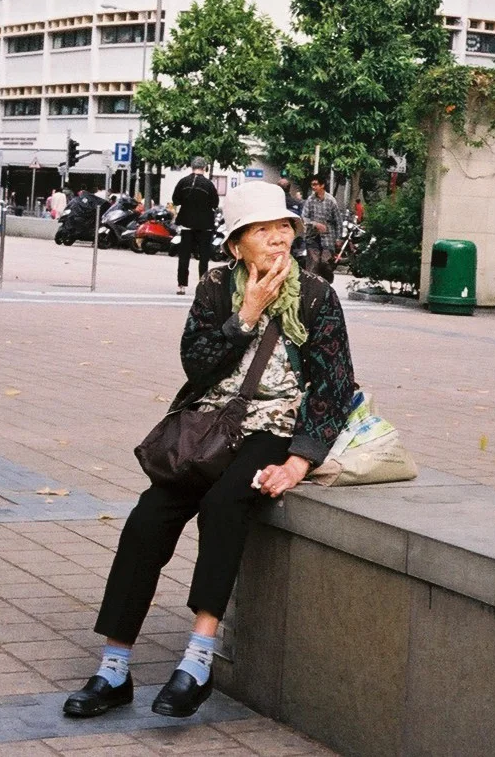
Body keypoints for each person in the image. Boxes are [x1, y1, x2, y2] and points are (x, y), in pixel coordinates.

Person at [63, 181, 357, 720]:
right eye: (262, 231)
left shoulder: (317, 296)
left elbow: (336, 386)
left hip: (273, 426)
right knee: (147, 520)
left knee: (224, 506)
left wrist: (298, 460)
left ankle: (197, 661)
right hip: (208, 425)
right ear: (236, 244)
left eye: (283, 228)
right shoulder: (216, 287)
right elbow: (196, 365)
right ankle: (114, 667)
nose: (277, 239)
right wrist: (244, 315)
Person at [172, 158, 220, 296]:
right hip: (205, 225)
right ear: (204, 168)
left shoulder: (183, 182)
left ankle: (181, 285)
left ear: (191, 167)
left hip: (186, 223)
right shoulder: (209, 184)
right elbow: (214, 203)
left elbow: (176, 200)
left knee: (184, 256)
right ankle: (203, 285)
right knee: (204, 257)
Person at [300, 176, 343, 282]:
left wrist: (339, 238)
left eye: (315, 184)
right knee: (313, 264)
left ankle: (326, 283)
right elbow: (304, 217)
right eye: (312, 185)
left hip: (328, 238)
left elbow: (338, 221)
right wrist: (314, 224)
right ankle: (311, 289)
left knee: (325, 262)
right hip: (312, 237)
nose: (313, 187)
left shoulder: (331, 201)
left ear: (322, 185)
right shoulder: (310, 200)